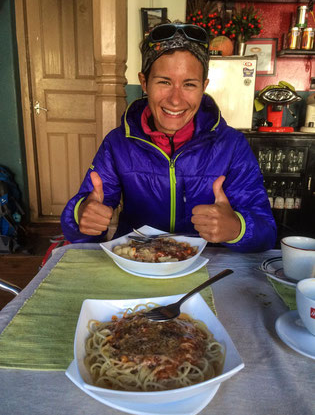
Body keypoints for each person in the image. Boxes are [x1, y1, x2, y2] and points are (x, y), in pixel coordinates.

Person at [61, 23, 277, 252]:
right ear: (144, 82)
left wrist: (237, 229)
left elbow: (266, 232)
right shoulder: (117, 144)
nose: (175, 100)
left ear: (204, 87)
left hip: (205, 270)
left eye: (189, 84)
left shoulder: (232, 146)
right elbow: (81, 225)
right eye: (164, 82)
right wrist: (82, 215)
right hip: (135, 261)